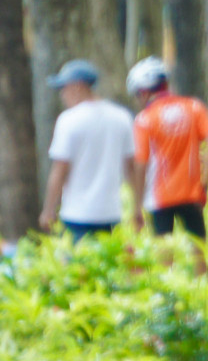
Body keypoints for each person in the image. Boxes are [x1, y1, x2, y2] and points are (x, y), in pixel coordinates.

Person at [128, 56, 208, 265]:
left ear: (143, 92)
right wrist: (204, 181)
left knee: (164, 256)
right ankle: (203, 294)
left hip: (159, 197)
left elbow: (141, 164)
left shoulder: (144, 119)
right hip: (192, 192)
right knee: (199, 253)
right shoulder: (194, 107)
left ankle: (169, 295)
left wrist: (136, 205)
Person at [39, 59, 137, 241]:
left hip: (77, 215)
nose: (63, 95)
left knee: (79, 267)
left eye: (64, 88)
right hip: (111, 214)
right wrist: (138, 208)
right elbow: (131, 168)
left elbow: (59, 171)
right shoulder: (121, 117)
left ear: (78, 87)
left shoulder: (68, 120)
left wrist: (49, 210)